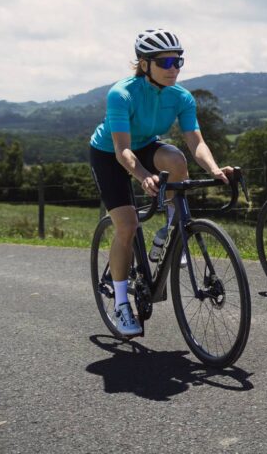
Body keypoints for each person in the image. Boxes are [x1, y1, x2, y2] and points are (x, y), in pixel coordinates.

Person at [89, 28, 231, 337]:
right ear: (144, 64)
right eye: (165, 62)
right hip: (110, 153)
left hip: (145, 145)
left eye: (178, 61)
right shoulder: (121, 94)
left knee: (177, 159)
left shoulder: (181, 96)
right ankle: (122, 304)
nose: (173, 68)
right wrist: (143, 176)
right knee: (127, 226)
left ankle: (170, 229)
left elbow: (196, 142)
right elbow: (122, 150)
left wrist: (215, 169)